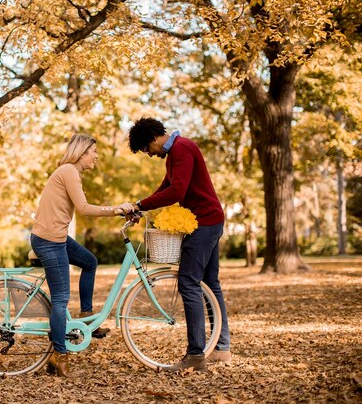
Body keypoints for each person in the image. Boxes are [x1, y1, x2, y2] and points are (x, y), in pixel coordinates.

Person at [127, 117, 231, 372]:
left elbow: (177, 192)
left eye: (145, 149)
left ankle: (196, 355)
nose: (149, 155)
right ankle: (221, 349)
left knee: (188, 281)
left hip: (205, 222)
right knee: (209, 283)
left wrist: (140, 205)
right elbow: (166, 187)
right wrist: (140, 204)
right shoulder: (176, 152)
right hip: (209, 220)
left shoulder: (182, 148)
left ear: (152, 138)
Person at [30, 133, 134, 378]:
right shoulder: (68, 171)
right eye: (94, 152)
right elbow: (84, 208)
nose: (96, 156)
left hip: (56, 237)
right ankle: (60, 356)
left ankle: (86, 316)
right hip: (49, 240)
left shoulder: (69, 172)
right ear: (82, 152)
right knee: (60, 299)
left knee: (90, 262)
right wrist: (117, 209)